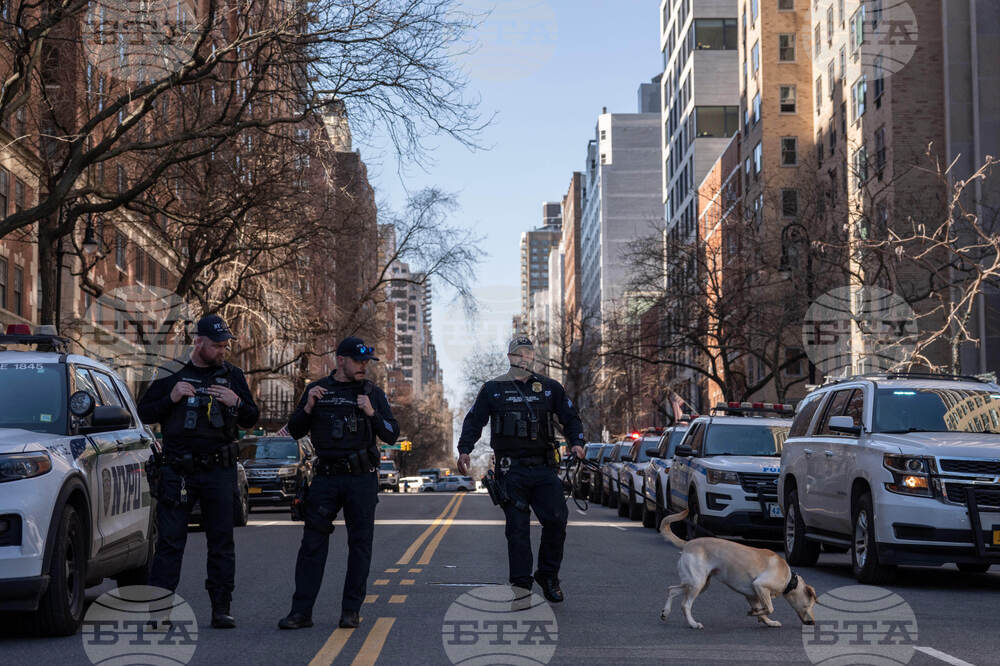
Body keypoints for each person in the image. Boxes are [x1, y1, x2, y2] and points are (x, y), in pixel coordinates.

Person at [137, 314, 259, 629]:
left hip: (219, 468)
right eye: (217, 345)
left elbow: (251, 418)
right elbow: (143, 412)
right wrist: (172, 397)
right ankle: (160, 610)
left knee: (221, 540)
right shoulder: (171, 372)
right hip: (179, 470)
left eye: (225, 345)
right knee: (170, 541)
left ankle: (221, 608)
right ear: (199, 342)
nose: (222, 350)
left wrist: (236, 402)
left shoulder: (232, 375)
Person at [279, 337, 399, 630]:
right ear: (340, 360)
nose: (363, 367)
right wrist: (308, 406)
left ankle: (351, 611)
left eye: (367, 362)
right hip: (326, 478)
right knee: (312, 544)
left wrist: (372, 413)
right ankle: (300, 612)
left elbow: (392, 434)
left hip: (361, 478)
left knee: (360, 545)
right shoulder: (318, 390)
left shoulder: (372, 393)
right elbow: (293, 431)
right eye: (359, 361)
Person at [456, 336, 586, 602]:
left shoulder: (550, 388)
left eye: (528, 354)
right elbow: (474, 420)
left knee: (556, 521)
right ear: (510, 358)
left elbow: (570, 418)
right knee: (517, 529)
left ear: (533, 358)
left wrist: (577, 443)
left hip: (544, 468)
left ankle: (548, 576)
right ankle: (521, 585)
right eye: (518, 354)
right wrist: (465, 450)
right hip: (510, 470)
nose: (523, 358)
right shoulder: (493, 389)